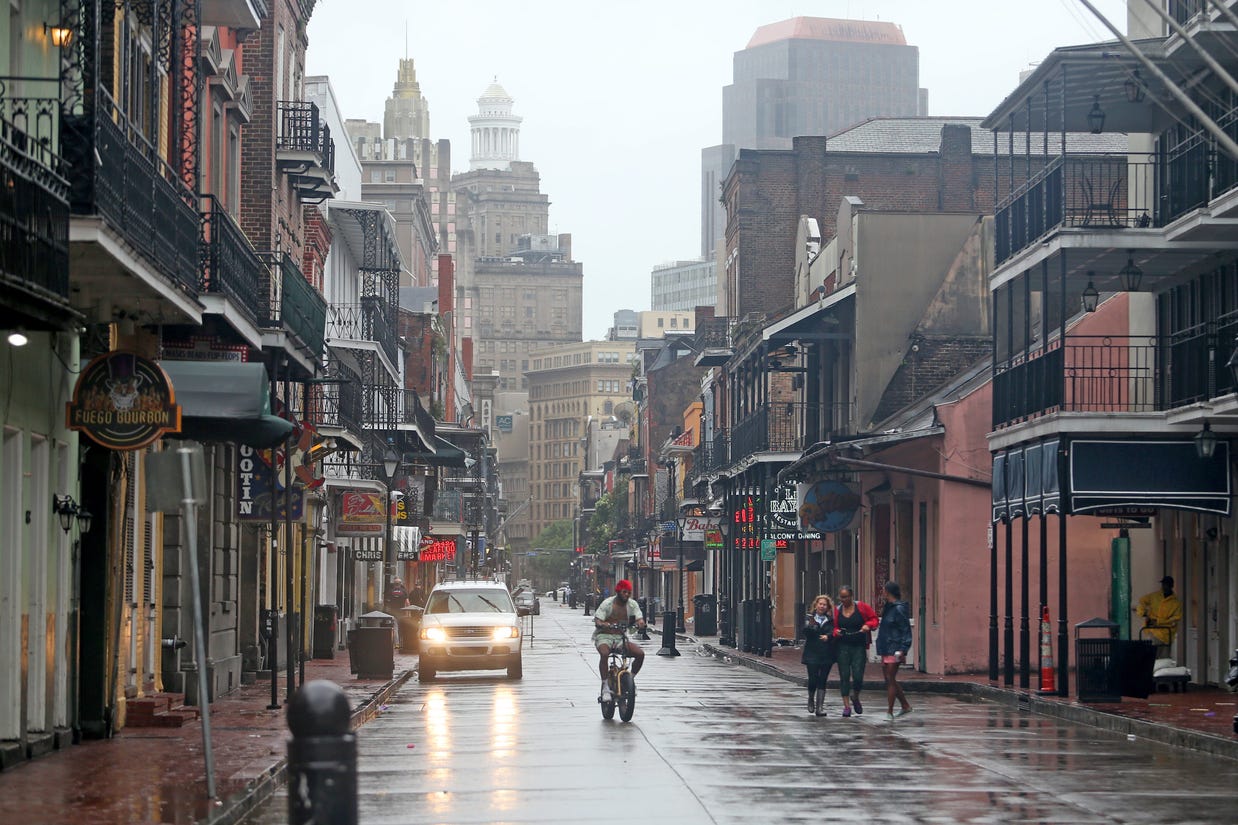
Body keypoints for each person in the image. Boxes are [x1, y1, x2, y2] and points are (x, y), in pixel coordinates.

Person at [593, 579, 646, 702]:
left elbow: (639, 617)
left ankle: (631, 680)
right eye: (624, 592)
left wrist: (640, 623)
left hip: (621, 638)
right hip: (604, 636)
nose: (627, 595)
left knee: (640, 654)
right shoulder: (607, 604)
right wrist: (603, 624)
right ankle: (605, 686)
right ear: (618, 591)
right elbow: (597, 619)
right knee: (605, 654)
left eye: (629, 593)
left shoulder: (632, 604)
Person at [833, 585, 878, 718]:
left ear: (851, 596)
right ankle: (846, 706)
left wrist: (867, 626)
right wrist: (836, 632)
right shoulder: (837, 610)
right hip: (843, 646)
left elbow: (874, 619)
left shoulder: (862, 607)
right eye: (841, 597)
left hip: (858, 645)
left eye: (845, 597)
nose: (843, 600)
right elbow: (833, 627)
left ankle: (855, 696)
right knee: (844, 675)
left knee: (858, 675)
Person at [877, 581, 914, 721]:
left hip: (894, 647)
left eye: (884, 590)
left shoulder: (898, 609)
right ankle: (905, 705)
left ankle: (890, 711)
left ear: (888, 592)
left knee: (891, 679)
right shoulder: (888, 608)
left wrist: (903, 649)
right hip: (886, 647)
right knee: (888, 679)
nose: (883, 593)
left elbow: (905, 629)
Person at [801, 595, 837, 716]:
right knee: (813, 678)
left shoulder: (830, 620)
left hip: (827, 653)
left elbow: (834, 632)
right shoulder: (809, 618)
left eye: (824, 604)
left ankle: (820, 707)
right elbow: (805, 631)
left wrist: (828, 636)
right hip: (812, 653)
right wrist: (813, 626)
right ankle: (811, 698)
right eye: (820, 604)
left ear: (828, 607)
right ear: (816, 605)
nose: (822, 606)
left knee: (823, 679)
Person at [1136, 575, 1183, 657]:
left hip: (1166, 634)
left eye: (1167, 585)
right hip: (1153, 631)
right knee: (1152, 657)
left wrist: (1159, 622)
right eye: (1163, 584)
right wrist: (1143, 613)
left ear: (1171, 586)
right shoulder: (1154, 596)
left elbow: (1176, 619)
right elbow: (1141, 601)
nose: (1164, 587)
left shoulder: (1175, 602)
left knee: (1164, 659)